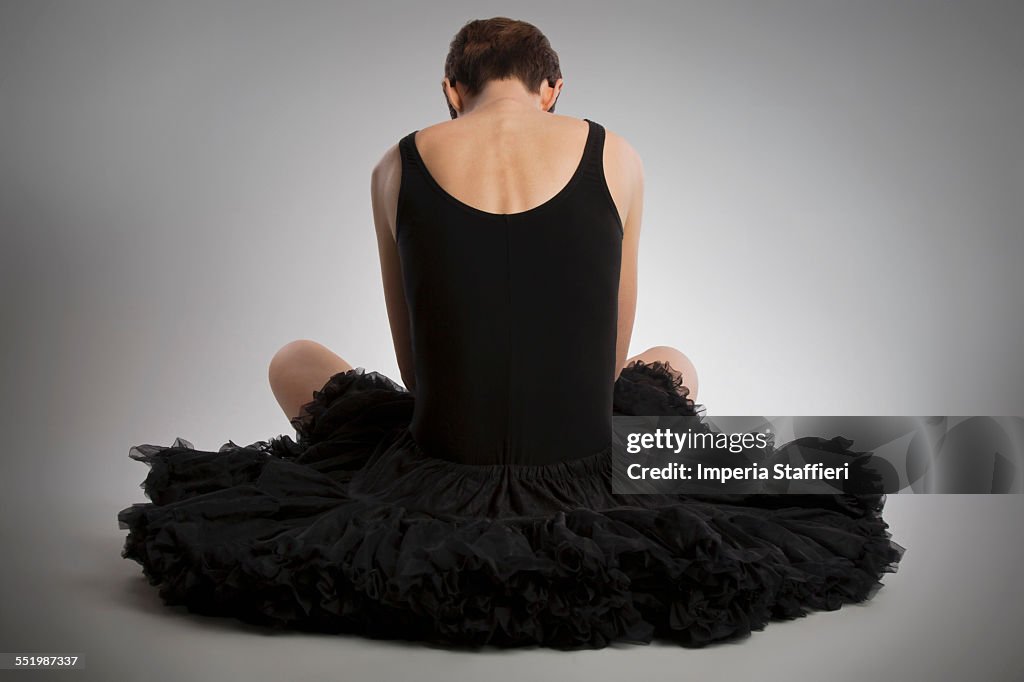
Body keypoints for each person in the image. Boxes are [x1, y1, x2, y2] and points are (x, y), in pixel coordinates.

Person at [118, 17, 904, 649]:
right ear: (552, 88)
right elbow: (612, 350)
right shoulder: (615, 152)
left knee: (296, 360)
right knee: (669, 360)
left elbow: (413, 359)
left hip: (440, 460)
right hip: (587, 457)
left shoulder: (395, 163)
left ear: (451, 90)